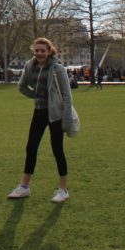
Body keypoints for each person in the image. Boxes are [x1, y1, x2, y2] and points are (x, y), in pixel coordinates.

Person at [7, 37, 75, 203]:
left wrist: (67, 119)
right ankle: (24, 187)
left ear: (49, 51)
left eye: (42, 50)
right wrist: (35, 95)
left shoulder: (58, 69)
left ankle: (63, 190)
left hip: (56, 114)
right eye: (36, 50)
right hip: (39, 111)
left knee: (57, 149)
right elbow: (22, 86)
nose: (39, 53)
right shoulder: (30, 67)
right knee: (31, 147)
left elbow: (67, 95)